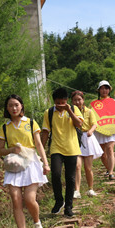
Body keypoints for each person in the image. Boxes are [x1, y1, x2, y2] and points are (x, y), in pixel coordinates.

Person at [0, 94, 50, 228]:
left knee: (29, 198)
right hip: (14, 163)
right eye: (10, 105)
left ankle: (37, 221)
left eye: (16, 105)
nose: (14, 108)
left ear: (21, 106)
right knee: (15, 198)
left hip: (31, 162)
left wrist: (45, 164)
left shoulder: (31, 123)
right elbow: (0, 150)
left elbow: (39, 145)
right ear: (7, 108)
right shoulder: (5, 127)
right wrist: (12, 149)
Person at [41, 88, 83, 217]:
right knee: (56, 174)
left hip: (72, 148)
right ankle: (59, 201)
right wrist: (40, 150)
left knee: (70, 178)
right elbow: (45, 132)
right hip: (56, 148)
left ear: (66, 100)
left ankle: (69, 206)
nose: (60, 105)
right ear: (54, 101)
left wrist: (68, 110)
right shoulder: (48, 113)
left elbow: (79, 124)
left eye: (63, 102)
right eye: (58, 103)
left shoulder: (74, 110)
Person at [71, 90, 103, 198]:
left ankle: (90, 188)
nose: (77, 102)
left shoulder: (89, 112)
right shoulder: (71, 112)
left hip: (87, 138)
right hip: (75, 138)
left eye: (79, 99)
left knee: (88, 167)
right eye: (75, 100)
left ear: (83, 100)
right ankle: (77, 190)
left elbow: (94, 124)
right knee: (77, 165)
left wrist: (91, 131)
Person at [94, 80, 115, 180]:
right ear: (99, 90)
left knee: (110, 149)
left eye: (106, 88)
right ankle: (108, 169)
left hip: (111, 129)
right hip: (100, 130)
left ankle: (110, 172)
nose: (104, 90)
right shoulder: (94, 104)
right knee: (102, 153)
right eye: (102, 88)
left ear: (109, 90)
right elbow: (91, 116)